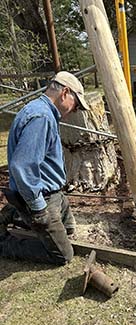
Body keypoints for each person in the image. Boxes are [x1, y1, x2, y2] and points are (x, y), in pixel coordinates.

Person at [0, 71, 89, 265]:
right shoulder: (41, 117)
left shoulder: (41, 111)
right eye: (76, 104)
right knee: (63, 255)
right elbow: (22, 166)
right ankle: (5, 245)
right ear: (65, 93)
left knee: (69, 228)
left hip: (53, 193)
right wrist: (39, 209)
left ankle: (14, 211)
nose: (74, 110)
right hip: (43, 197)